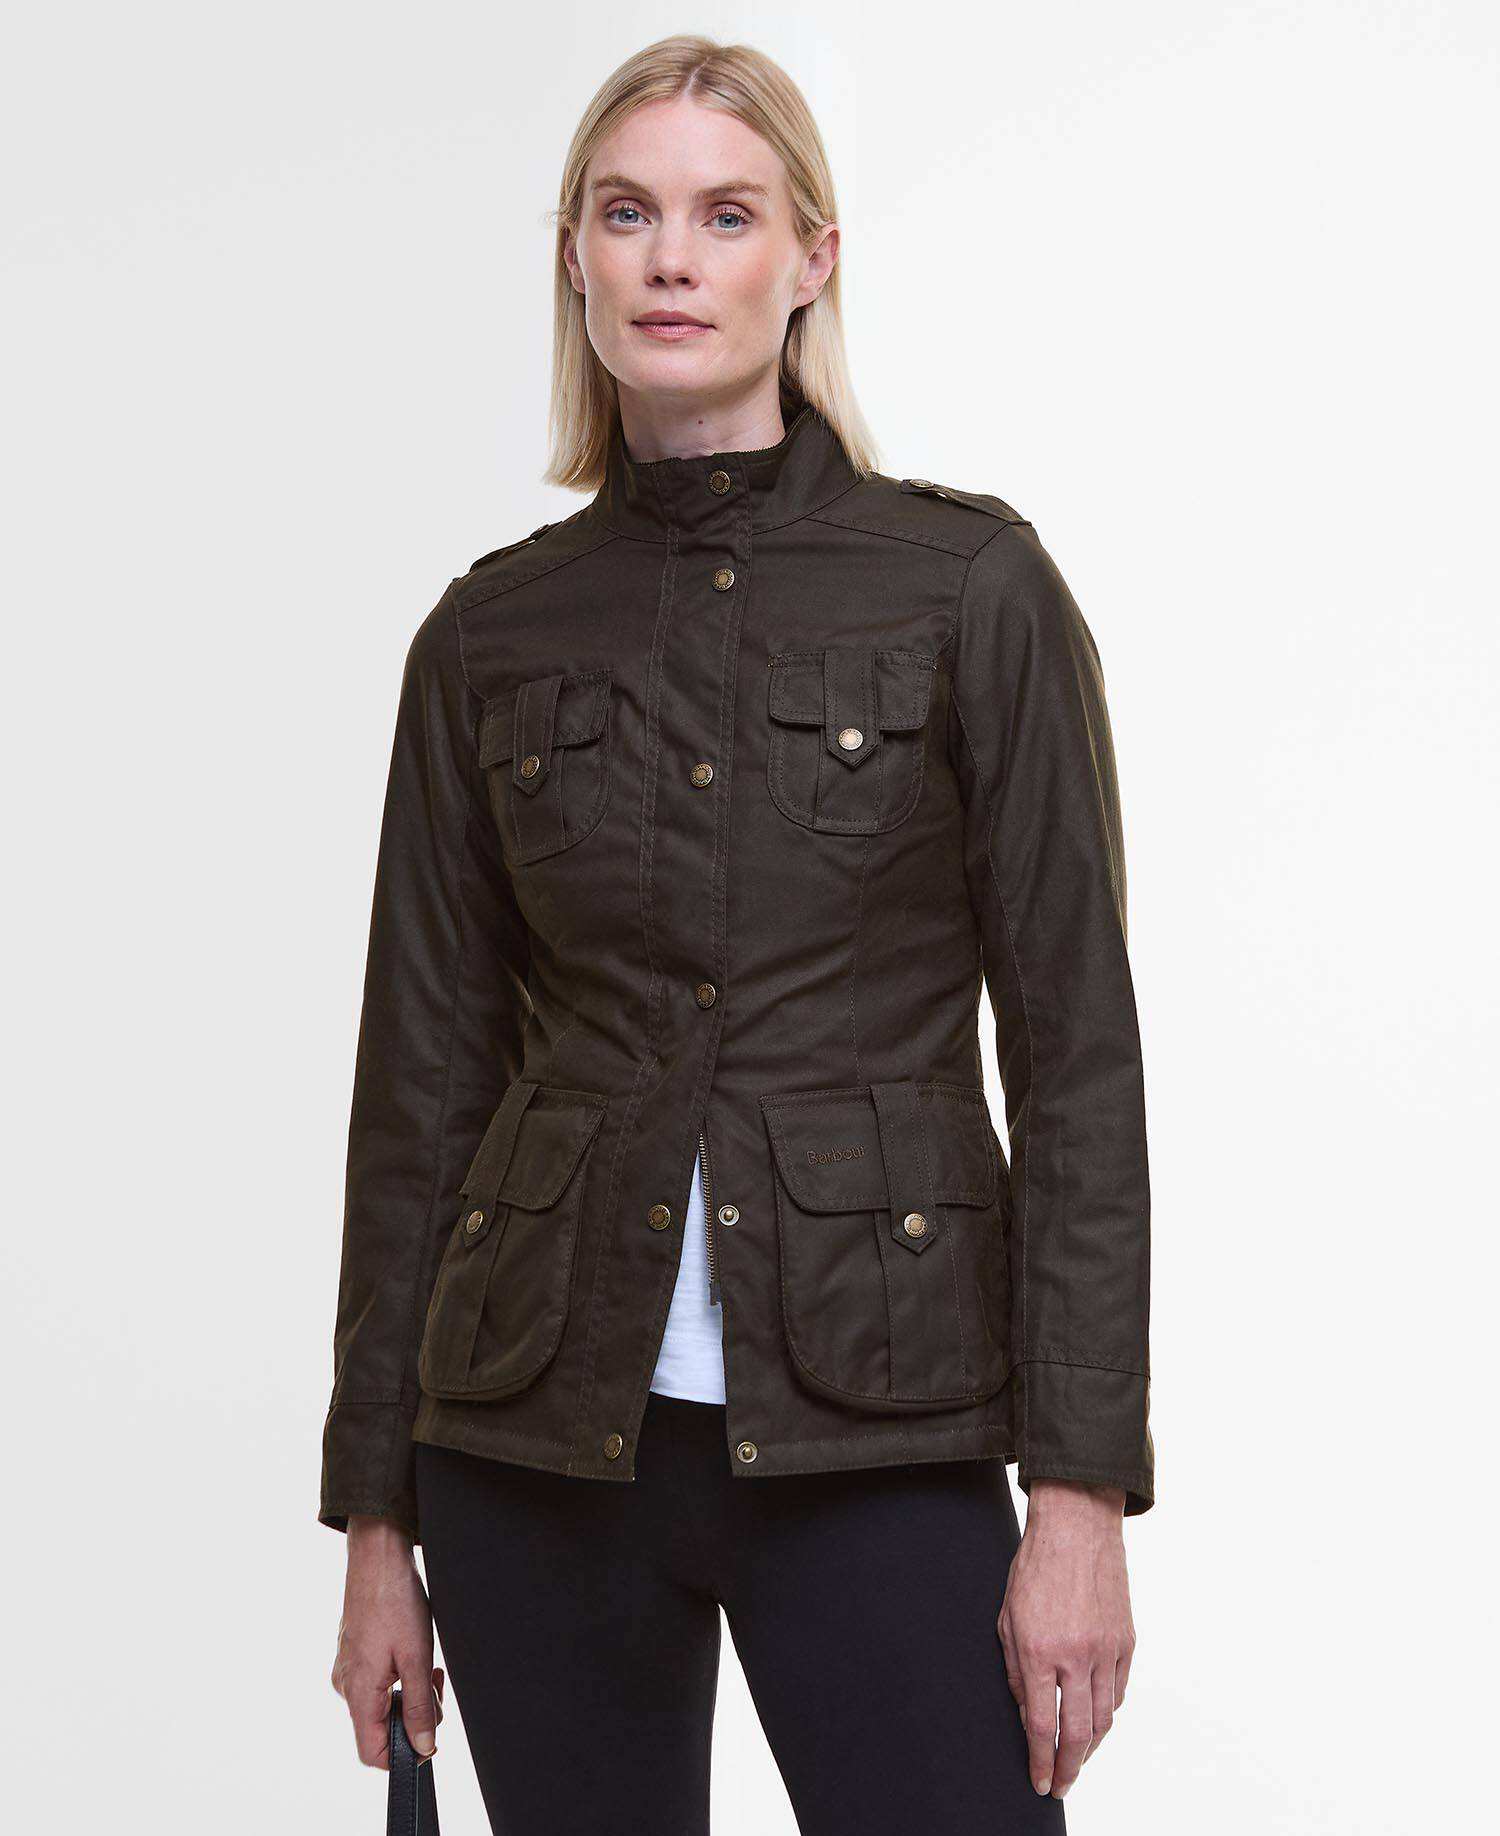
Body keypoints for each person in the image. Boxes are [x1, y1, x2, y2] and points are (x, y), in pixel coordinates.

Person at [322, 33, 1151, 1836]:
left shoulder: (969, 589)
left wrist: (1080, 1493)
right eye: (628, 215)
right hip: (532, 1444)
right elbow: (421, 1090)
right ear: (576, 257)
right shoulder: (487, 635)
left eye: (726, 215)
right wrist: (376, 1520)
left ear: (811, 259)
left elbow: (1078, 1061)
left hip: (884, 1426)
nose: (673, 260)